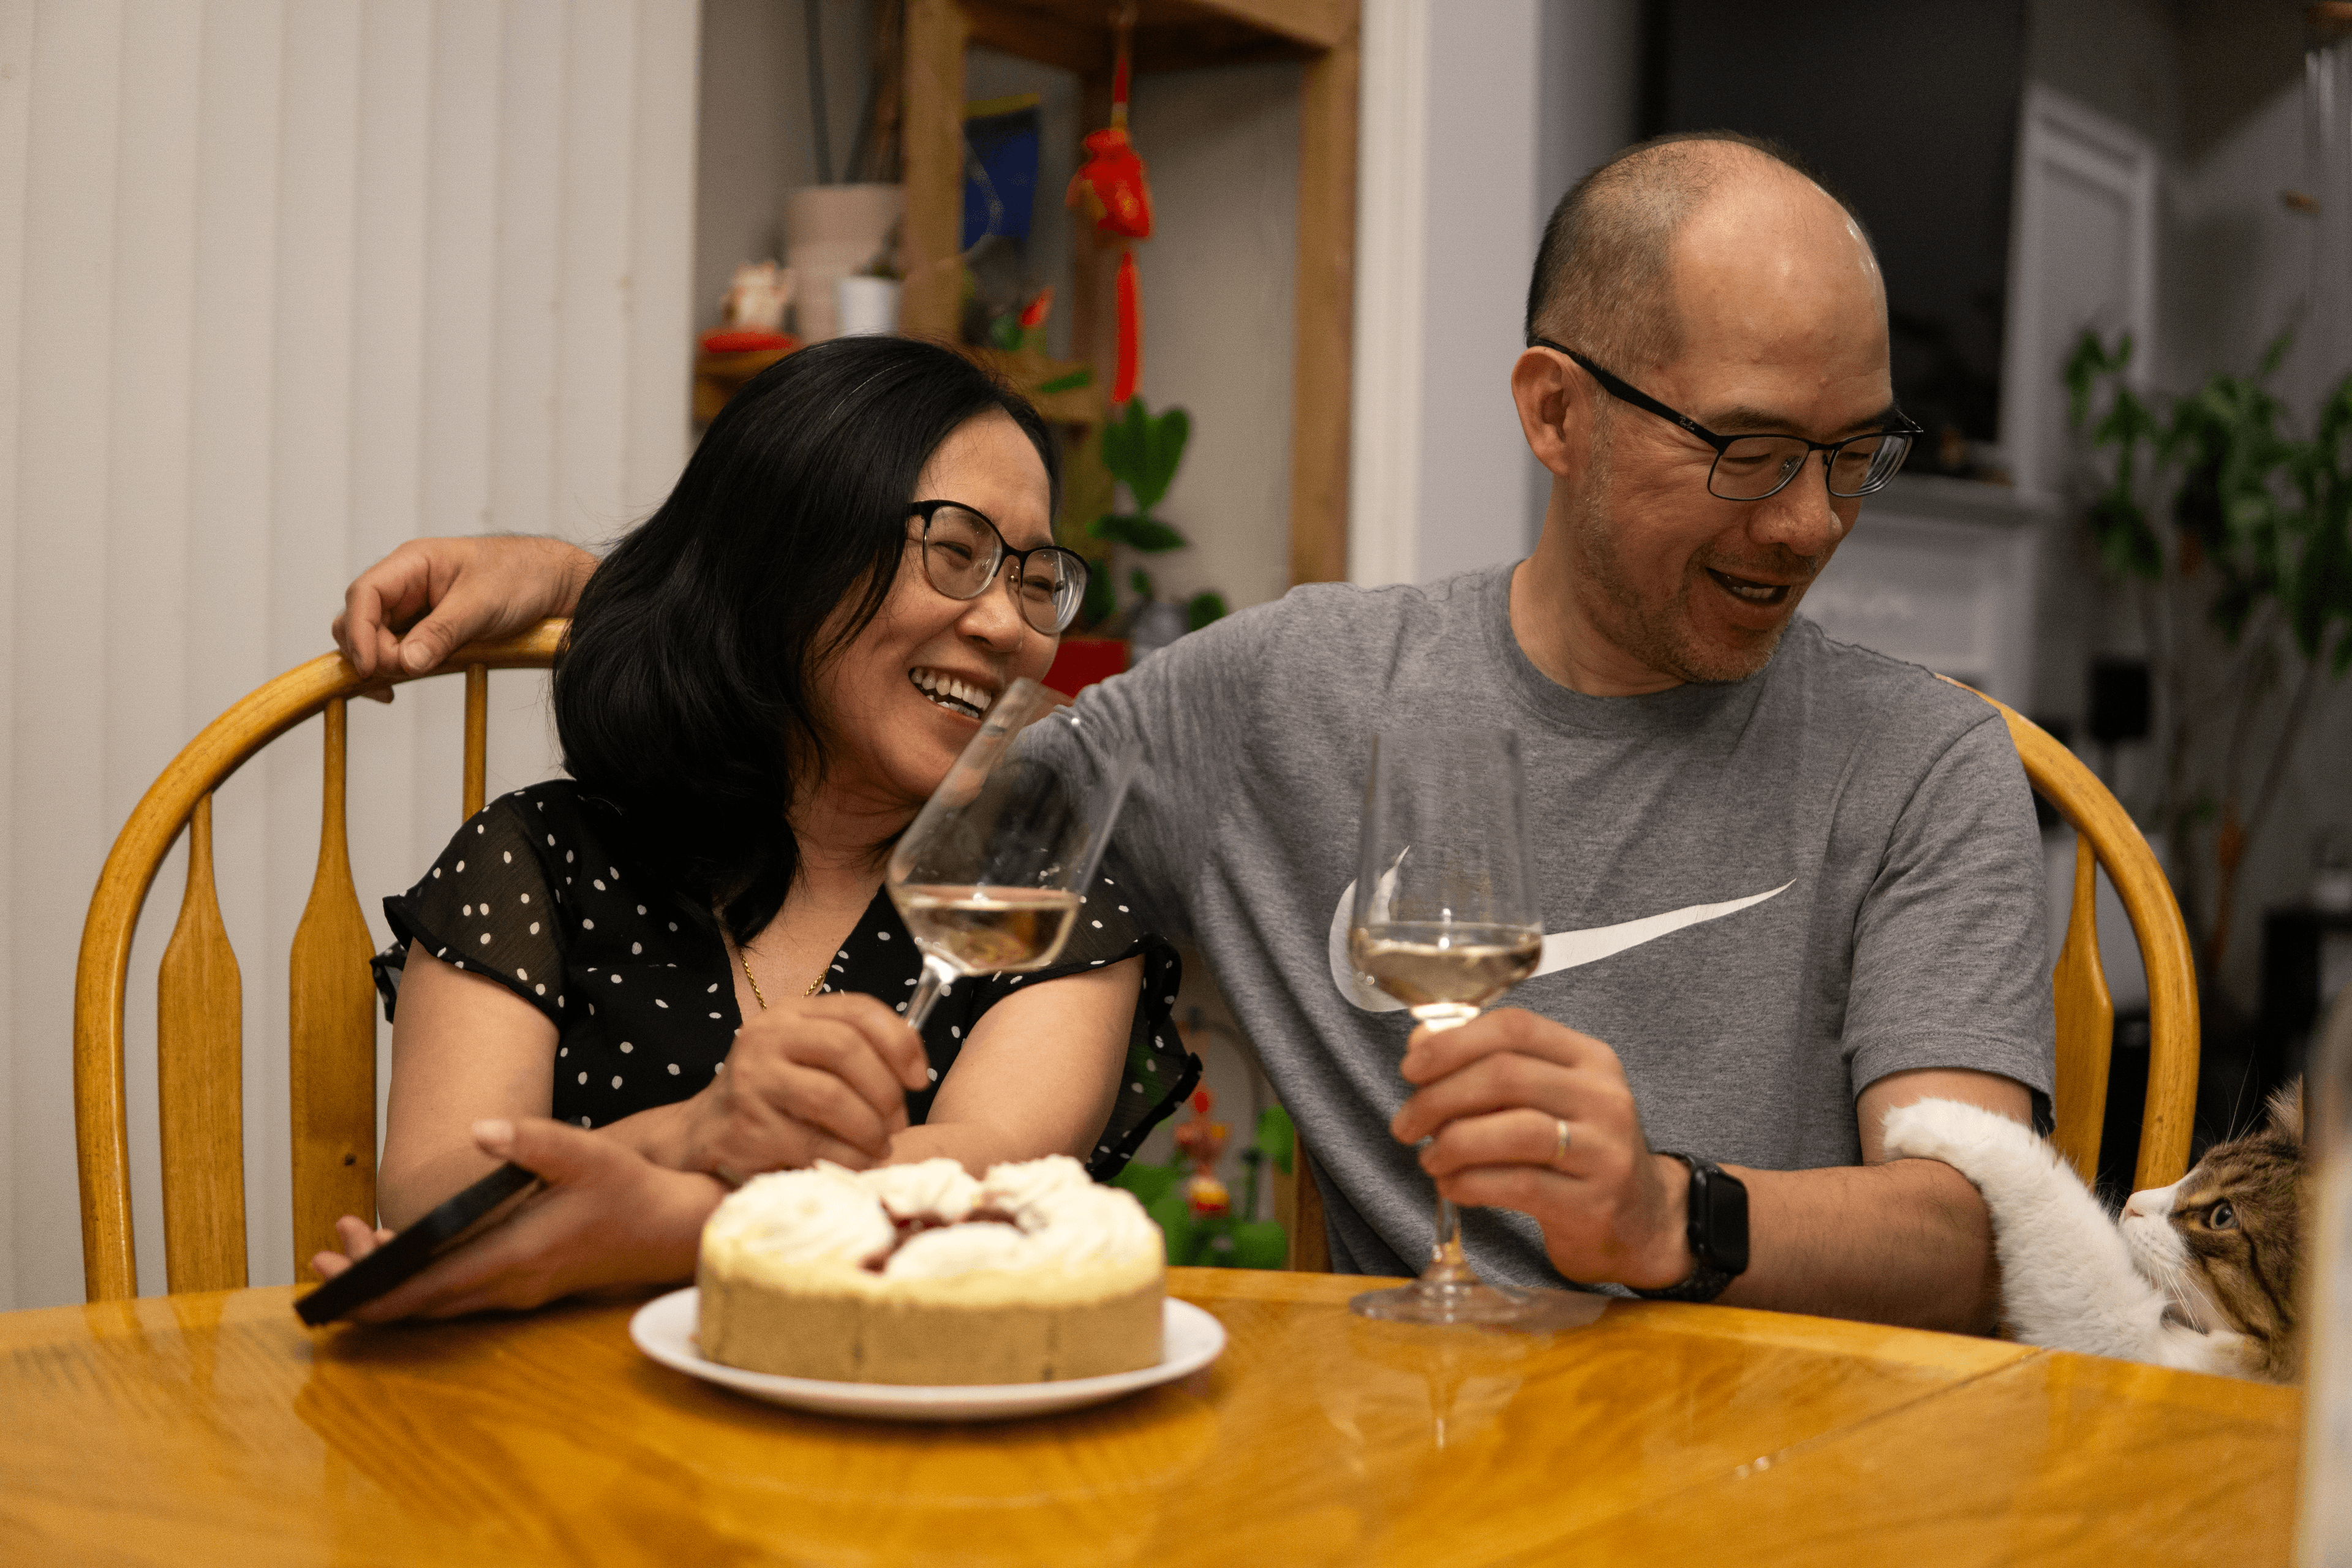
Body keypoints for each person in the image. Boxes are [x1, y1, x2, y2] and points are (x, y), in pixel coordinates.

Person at [335, 134, 2051, 1330]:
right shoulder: (1281, 697)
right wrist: (609, 581)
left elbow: (1973, 1242)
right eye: (1753, 451)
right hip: (1408, 1456)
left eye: (1857, 454)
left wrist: (1671, 1215)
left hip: (1802, 1456)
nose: (1813, 524)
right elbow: (891, 705)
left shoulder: (1926, 762)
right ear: (1555, 412)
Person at [315, 336, 1193, 1319]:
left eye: (1034, 580)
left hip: (897, 1436)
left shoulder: (1040, 903)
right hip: (561, 1435)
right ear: (789, 552)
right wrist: (691, 1135)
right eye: (956, 554)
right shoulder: (542, 860)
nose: (1007, 626)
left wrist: (634, 1218)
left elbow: (959, 1190)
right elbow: (435, 1201)